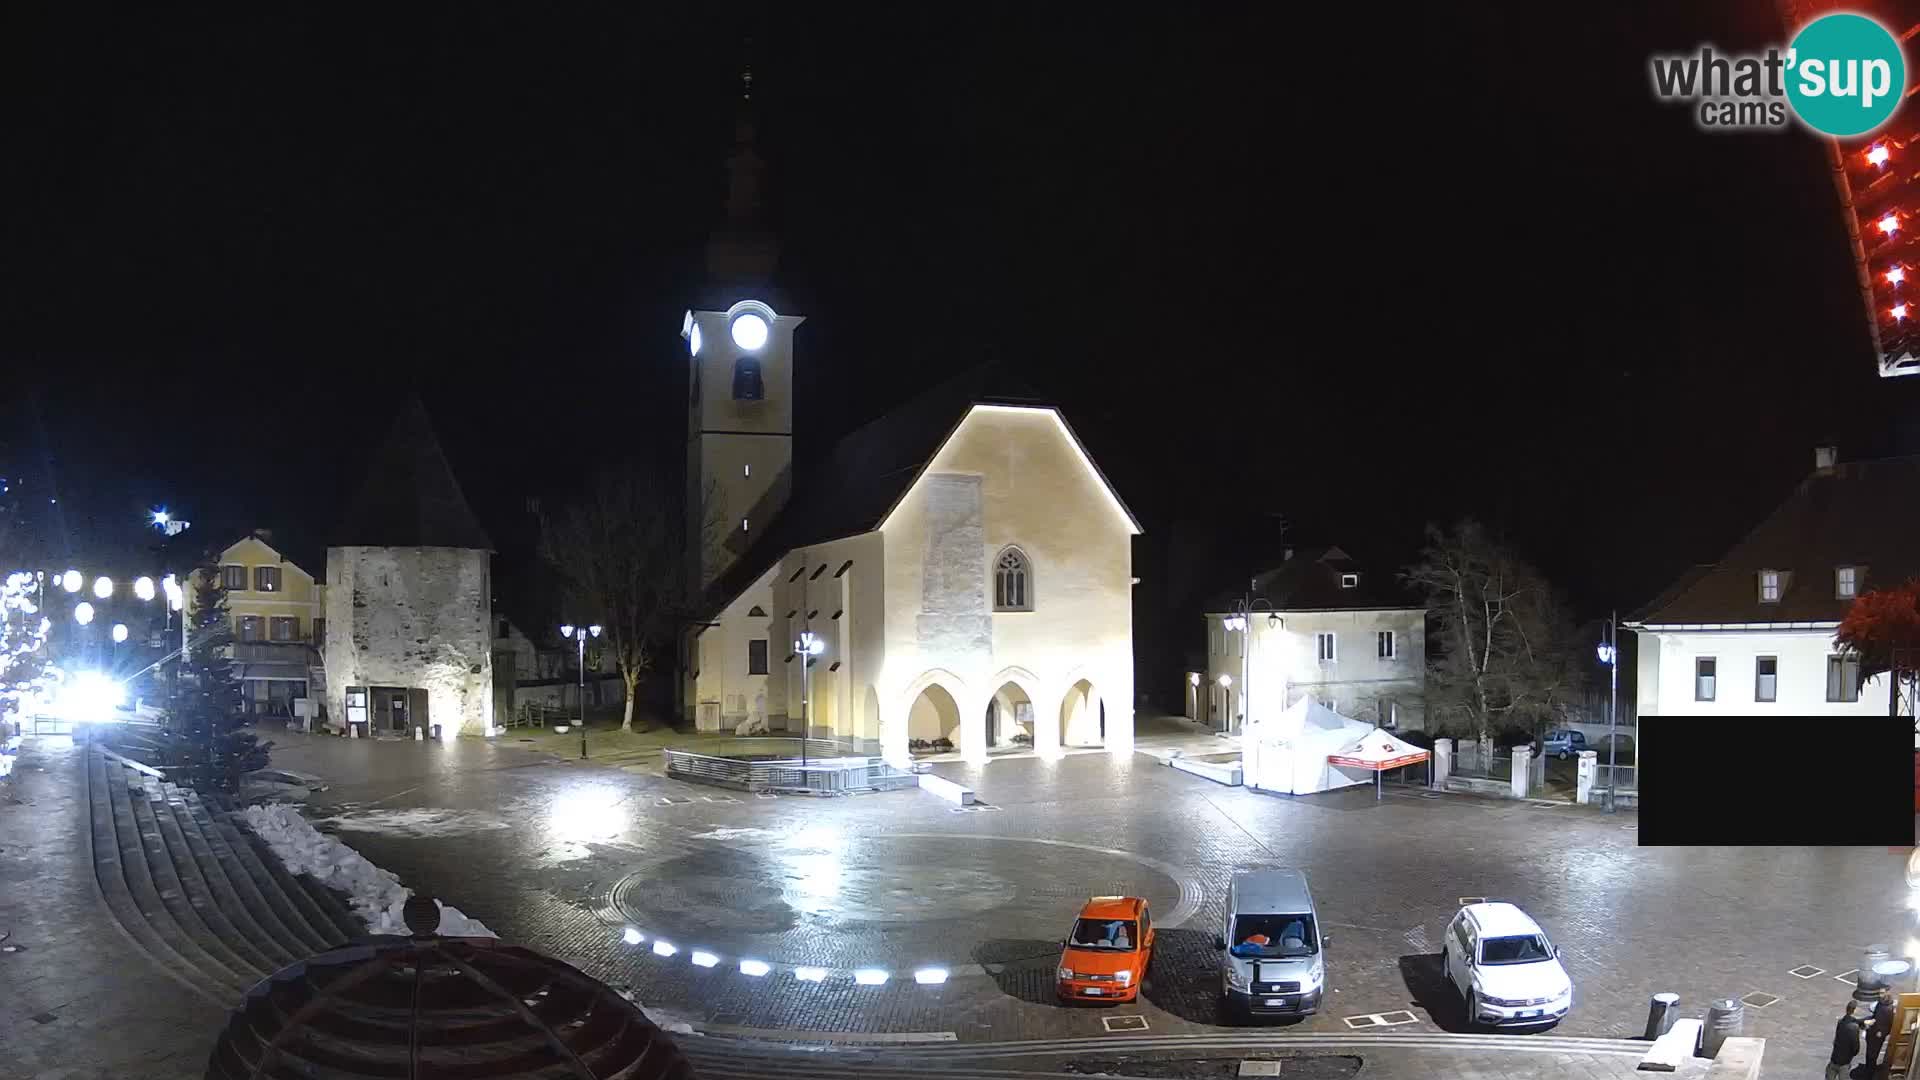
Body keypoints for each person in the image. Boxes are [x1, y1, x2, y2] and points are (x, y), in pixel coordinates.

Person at [1829, 1000, 1864, 1080]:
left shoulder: (1841, 1021)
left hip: (1835, 1057)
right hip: (1845, 1060)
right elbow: (1855, 1046)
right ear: (1854, 1010)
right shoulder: (1854, 1027)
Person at [1865, 986, 1897, 1072]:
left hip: (1878, 1035)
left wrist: (1882, 1033)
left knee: (1873, 1054)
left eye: (1882, 993)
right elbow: (1875, 1015)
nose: (1880, 995)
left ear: (1887, 993)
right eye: (1879, 993)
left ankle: (1870, 1071)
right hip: (1872, 1031)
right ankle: (1868, 1068)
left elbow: (1890, 1024)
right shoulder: (1880, 1003)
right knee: (1869, 1052)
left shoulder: (1889, 1008)